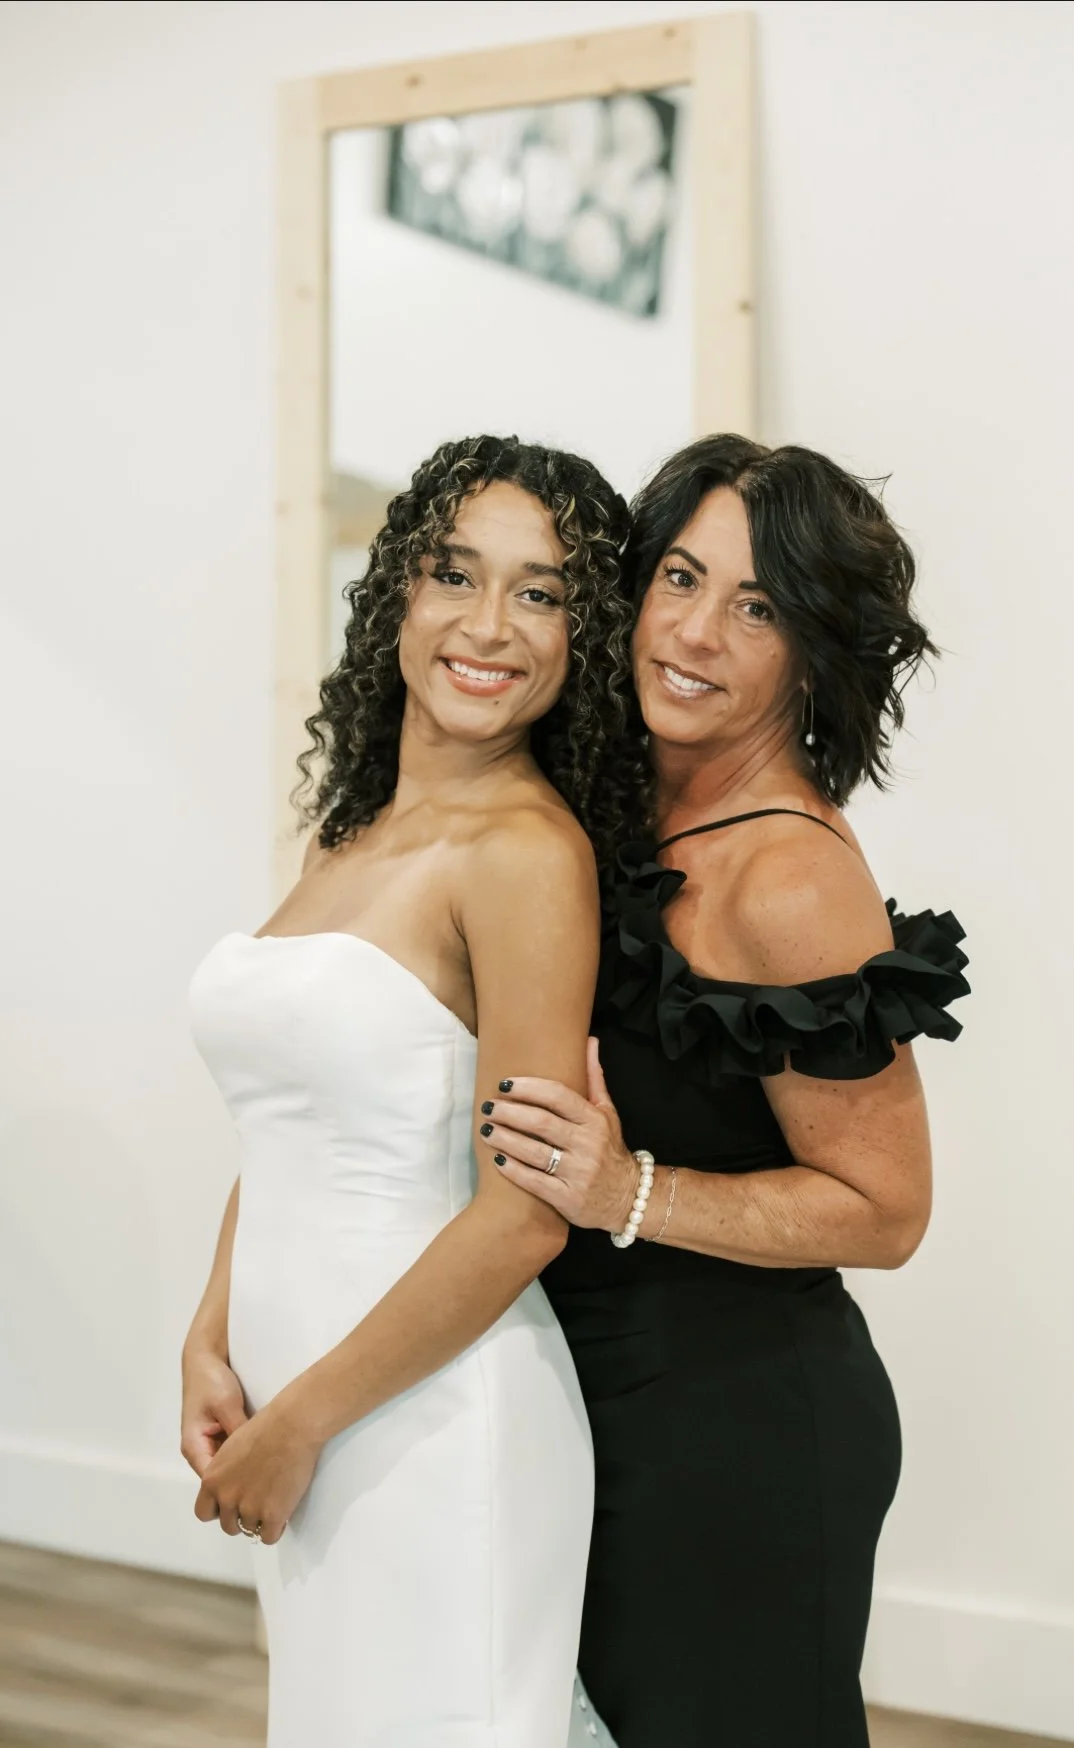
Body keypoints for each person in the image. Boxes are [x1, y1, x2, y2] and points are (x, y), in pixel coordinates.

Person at [485, 435, 971, 1747]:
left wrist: (619, 1186)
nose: (693, 633)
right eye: (680, 577)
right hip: (595, 1399)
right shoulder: (616, 806)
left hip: (737, 1433)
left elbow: (882, 1211)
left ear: (810, 650)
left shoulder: (786, 877)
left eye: (754, 608)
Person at [181, 435, 640, 1748]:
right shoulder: (353, 831)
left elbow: (525, 1211)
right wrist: (210, 1339)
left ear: (581, 636)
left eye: (542, 592)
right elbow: (287, 1122)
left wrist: (305, 1418)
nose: (489, 625)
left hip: (430, 1424)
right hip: (304, 1415)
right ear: (398, 592)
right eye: (455, 574)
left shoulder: (525, 855)